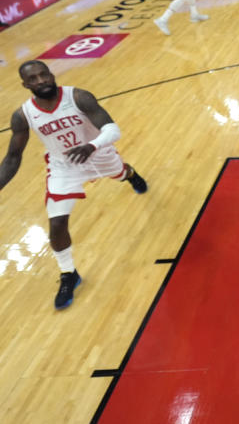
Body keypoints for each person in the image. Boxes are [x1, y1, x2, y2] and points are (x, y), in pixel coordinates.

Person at [0, 61, 148, 309]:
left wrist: (92, 145)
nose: (40, 81)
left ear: (51, 74)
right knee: (57, 222)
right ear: (25, 85)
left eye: (43, 75)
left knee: (120, 172)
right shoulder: (23, 115)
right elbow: (13, 157)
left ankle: (130, 174)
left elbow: (112, 129)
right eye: (33, 79)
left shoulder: (78, 97)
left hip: (98, 153)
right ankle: (69, 273)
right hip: (64, 167)